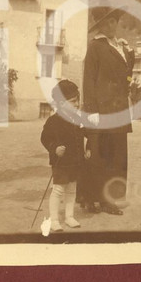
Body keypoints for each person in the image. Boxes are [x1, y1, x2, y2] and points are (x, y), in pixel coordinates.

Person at [79, 6, 134, 215]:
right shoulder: (96, 46)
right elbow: (89, 79)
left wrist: (129, 54)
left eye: (113, 21)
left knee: (116, 155)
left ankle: (102, 198)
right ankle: (99, 199)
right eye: (106, 23)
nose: (111, 26)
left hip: (118, 110)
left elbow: (127, 75)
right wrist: (91, 110)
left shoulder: (120, 46)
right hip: (102, 110)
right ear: (99, 26)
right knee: (100, 156)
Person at [39, 79, 89, 232]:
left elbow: (86, 134)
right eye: (73, 101)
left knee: (72, 190)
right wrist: (54, 148)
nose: (77, 104)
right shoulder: (54, 121)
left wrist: (88, 148)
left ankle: (69, 216)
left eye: (77, 100)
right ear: (61, 103)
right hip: (61, 162)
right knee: (58, 190)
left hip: (76, 161)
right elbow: (45, 138)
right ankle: (54, 220)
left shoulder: (78, 118)